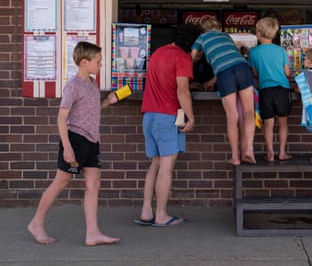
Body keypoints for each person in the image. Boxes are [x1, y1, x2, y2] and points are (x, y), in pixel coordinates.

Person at [27, 41, 120, 246]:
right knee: (61, 181)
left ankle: (93, 233)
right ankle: (36, 223)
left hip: (92, 141)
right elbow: (61, 118)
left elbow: (91, 111)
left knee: (94, 184)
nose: (101, 65)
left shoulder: (92, 84)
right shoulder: (73, 85)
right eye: (98, 61)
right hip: (75, 140)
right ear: (85, 62)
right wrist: (67, 147)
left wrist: (107, 102)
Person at [134, 24, 200, 227]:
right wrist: (191, 117)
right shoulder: (182, 57)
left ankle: (146, 211)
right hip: (167, 117)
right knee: (166, 167)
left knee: (154, 164)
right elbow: (182, 91)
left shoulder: (157, 53)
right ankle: (161, 215)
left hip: (149, 116)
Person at [191, 17, 256, 166]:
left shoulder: (202, 38)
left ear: (203, 29)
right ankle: (249, 150)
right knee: (249, 112)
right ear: (219, 27)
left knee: (232, 116)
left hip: (225, 74)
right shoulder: (225, 35)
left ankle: (235, 156)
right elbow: (229, 60)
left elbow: (193, 57)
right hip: (243, 67)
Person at [248, 17, 293, 162]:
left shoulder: (253, 52)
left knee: (268, 124)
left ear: (259, 33)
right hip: (282, 89)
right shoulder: (281, 51)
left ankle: (270, 153)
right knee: (283, 123)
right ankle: (282, 153)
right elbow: (287, 72)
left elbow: (254, 73)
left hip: (265, 91)